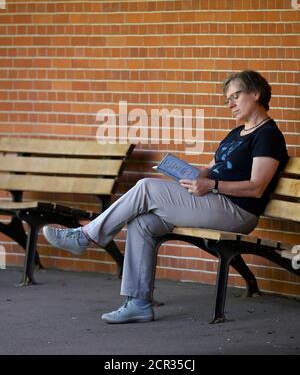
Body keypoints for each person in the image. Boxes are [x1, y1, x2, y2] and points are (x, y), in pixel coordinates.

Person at [43, 70, 288, 324]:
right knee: (143, 222)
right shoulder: (235, 134)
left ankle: (85, 236)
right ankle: (138, 303)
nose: (230, 104)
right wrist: (187, 173)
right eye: (227, 99)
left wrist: (211, 184)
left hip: (238, 212)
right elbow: (210, 168)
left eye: (235, 96)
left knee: (147, 187)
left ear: (256, 93)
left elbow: (256, 187)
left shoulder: (267, 135)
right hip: (215, 201)